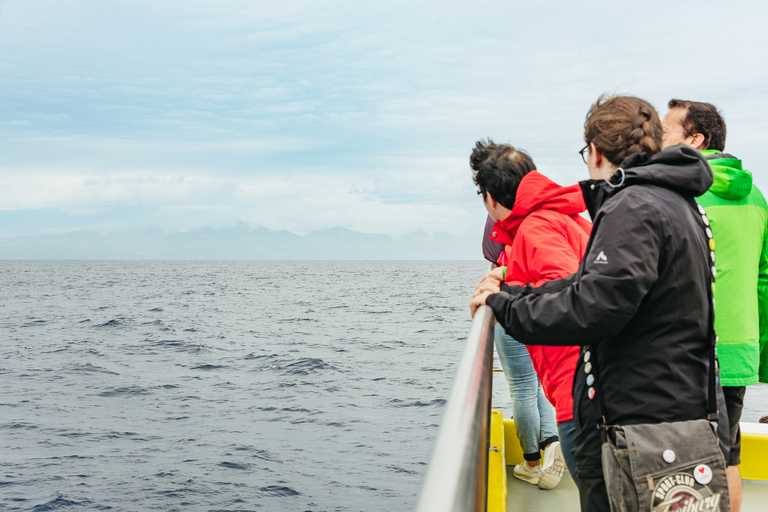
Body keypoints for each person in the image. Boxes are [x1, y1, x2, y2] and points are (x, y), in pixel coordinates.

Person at [470, 95, 730, 512]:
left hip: (642, 422)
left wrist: (506, 308)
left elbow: (594, 306)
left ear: (595, 151)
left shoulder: (633, 205)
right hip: (680, 410)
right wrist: (514, 294)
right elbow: (600, 287)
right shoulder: (679, 202)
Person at [662, 98, 768, 512]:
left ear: (695, 139)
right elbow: (764, 279)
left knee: (678, 462)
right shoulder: (756, 197)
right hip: (738, 345)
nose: (657, 137)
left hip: (685, 346)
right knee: (728, 453)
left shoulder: (679, 189)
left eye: (666, 130)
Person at [471, 140, 591, 487]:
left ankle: (534, 459)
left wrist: (501, 301)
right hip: (598, 384)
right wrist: (508, 275)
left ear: (491, 198)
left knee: (521, 388)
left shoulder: (534, 228)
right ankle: (548, 443)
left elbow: (569, 294)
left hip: (578, 391)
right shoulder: (566, 219)